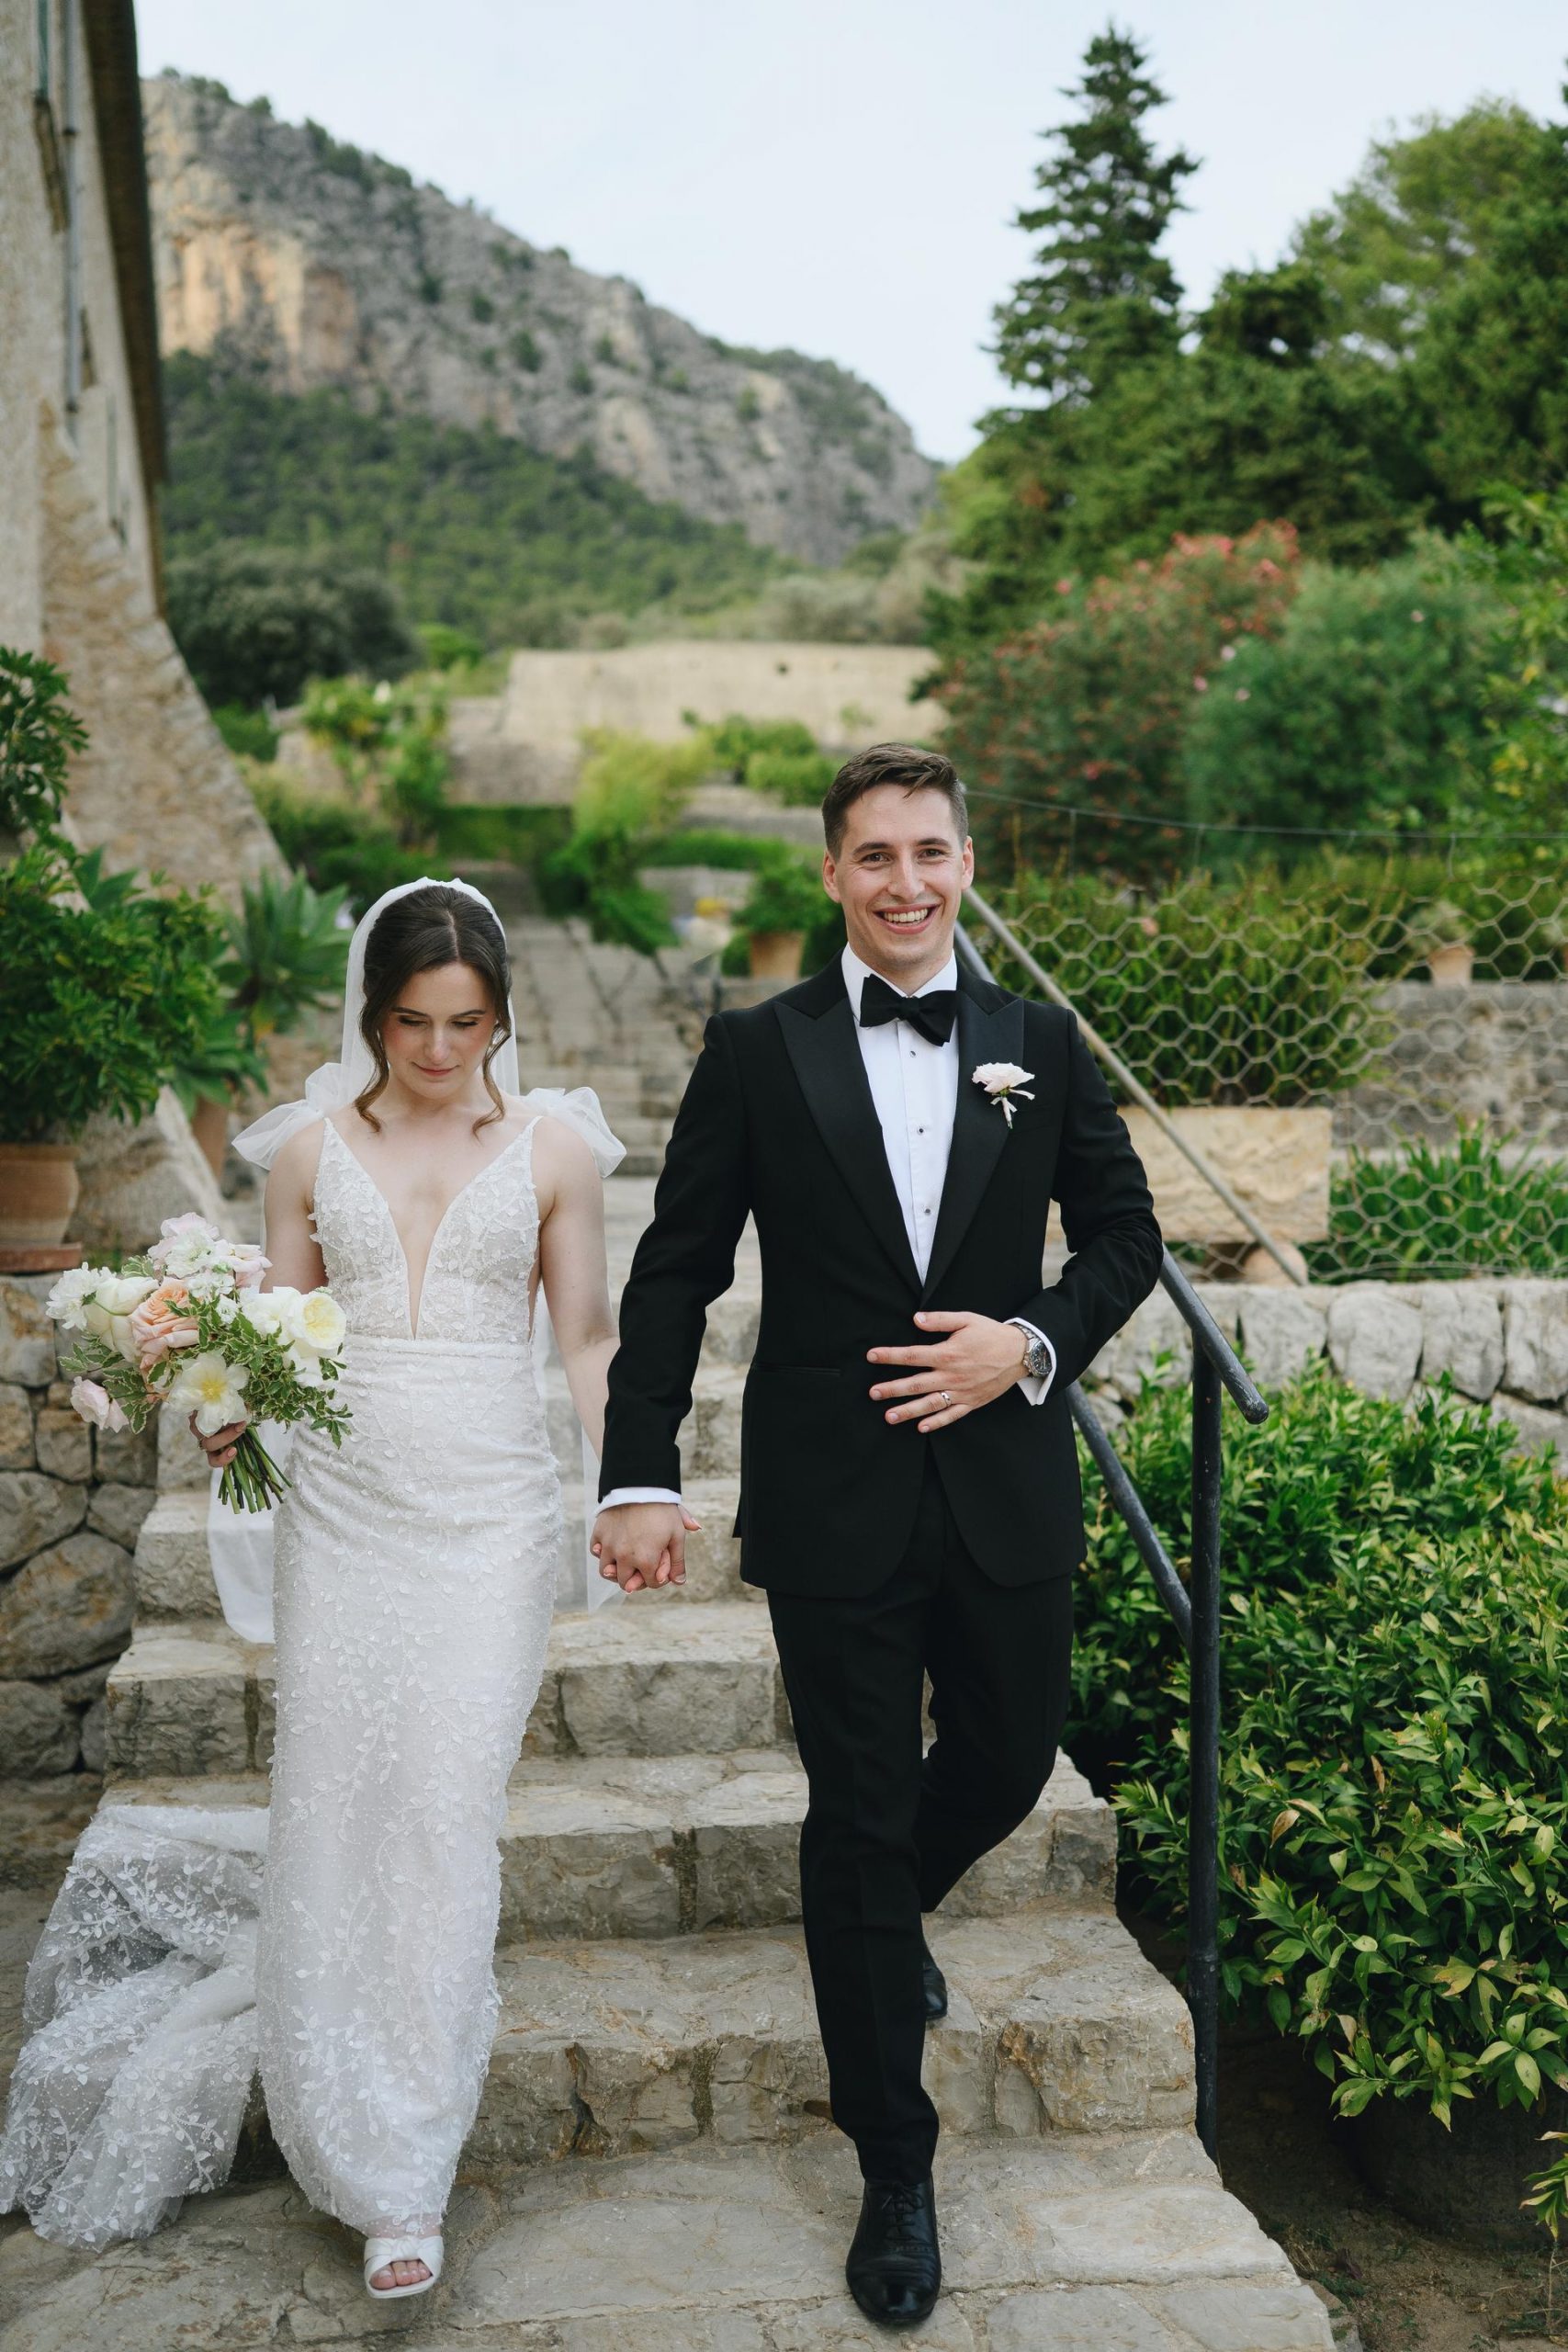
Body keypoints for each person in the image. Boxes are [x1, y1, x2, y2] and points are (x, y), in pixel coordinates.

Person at [0, 878, 663, 2301]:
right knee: (339, 1799)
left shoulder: (554, 1148)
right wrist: (225, 1406)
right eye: (414, 1023)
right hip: (343, 1516)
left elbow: (590, 1339)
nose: (440, 1050)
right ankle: (342, 2105)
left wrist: (633, 1484)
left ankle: (402, 2169)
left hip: (488, 1517)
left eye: (468, 1024)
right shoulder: (303, 1149)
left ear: (501, 1017)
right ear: (372, 1011)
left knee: (441, 1811)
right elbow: (271, 1338)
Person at [592, 745, 1162, 2329]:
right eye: (875, 857)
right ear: (832, 873)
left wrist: (1026, 1344)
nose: (905, 883)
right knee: (853, 1815)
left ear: (967, 863)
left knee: (1010, 1756)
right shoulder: (755, 1049)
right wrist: (636, 1468)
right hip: (833, 1491)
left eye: (931, 852)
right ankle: (894, 2168)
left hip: (1005, 1479)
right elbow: (676, 1268)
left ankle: (877, 1916)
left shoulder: (1040, 1043)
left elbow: (1126, 1238)